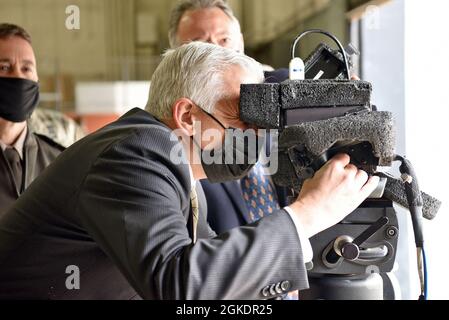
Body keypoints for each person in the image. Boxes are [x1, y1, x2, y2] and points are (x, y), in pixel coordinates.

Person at [0, 42, 378, 300]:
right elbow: (180, 287)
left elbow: (211, 275)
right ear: (186, 115)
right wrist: (308, 214)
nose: (255, 133)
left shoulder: (178, 172)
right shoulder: (135, 153)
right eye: (243, 115)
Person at [168, 0, 289, 235]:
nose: (217, 51)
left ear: (241, 42)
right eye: (200, 44)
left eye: (224, 40)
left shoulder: (281, 97)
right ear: (177, 56)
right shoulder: (175, 134)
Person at [0, 23, 64, 216]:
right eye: (4, 67)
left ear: (36, 80)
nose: (18, 76)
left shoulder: (60, 163)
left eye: (26, 68)